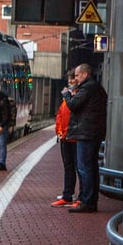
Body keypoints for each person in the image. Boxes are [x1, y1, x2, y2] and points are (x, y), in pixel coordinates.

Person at [63, 63, 108, 213]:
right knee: (91, 167)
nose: (75, 79)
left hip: (86, 133)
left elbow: (74, 105)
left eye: (77, 75)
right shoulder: (97, 88)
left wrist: (67, 94)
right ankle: (88, 199)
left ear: (85, 74)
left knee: (84, 168)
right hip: (94, 133)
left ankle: (87, 201)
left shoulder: (87, 88)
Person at [51, 69, 79, 207]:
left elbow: (73, 113)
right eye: (69, 80)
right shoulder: (67, 97)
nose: (71, 82)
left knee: (79, 168)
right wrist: (59, 131)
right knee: (68, 167)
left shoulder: (77, 96)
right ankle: (67, 194)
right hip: (65, 137)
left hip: (74, 137)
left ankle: (78, 196)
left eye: (73, 79)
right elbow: (61, 115)